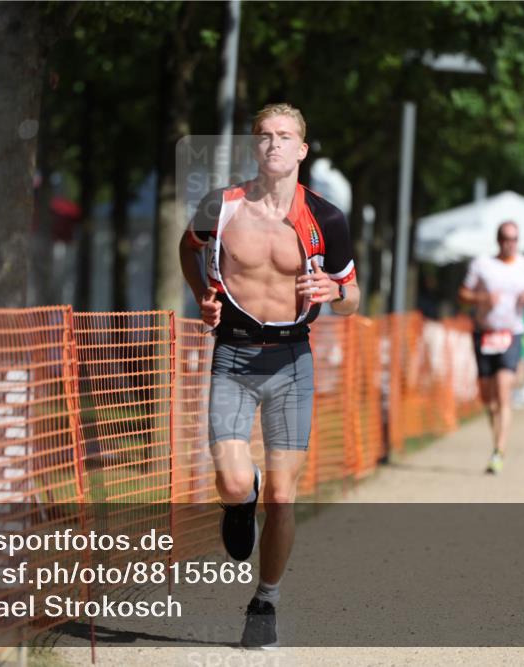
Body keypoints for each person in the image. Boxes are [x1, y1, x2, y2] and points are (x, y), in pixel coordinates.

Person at [178, 103, 360, 648]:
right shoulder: (223, 206)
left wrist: (335, 293)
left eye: (285, 137)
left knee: (283, 496)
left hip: (291, 361)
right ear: (253, 147)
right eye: (264, 136)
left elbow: (353, 296)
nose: (274, 145)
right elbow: (189, 250)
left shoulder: (325, 218)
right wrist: (201, 296)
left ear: (303, 150)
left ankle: (266, 602)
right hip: (233, 356)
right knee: (237, 483)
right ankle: (240, 499)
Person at [458, 221, 524, 474]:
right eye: (506, 238)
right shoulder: (481, 265)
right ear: (498, 240)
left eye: (515, 238)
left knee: (504, 391)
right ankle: (497, 440)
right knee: (489, 398)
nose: (511, 243)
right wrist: (482, 298)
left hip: (512, 334)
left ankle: (499, 450)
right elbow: (462, 295)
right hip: (484, 334)